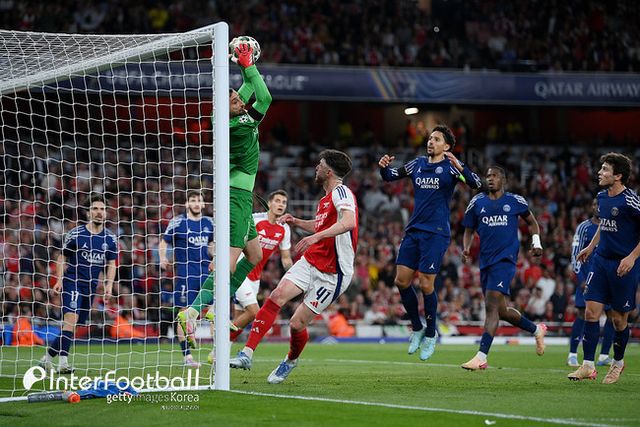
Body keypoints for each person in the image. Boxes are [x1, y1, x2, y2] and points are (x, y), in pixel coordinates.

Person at [229, 149, 358, 384]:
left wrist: (316, 237)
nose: (316, 168)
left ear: (329, 171)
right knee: (276, 296)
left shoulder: (342, 192)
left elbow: (349, 222)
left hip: (334, 272)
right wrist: (296, 221)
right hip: (312, 260)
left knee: (297, 324)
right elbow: (320, 226)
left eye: (320, 165)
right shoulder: (325, 200)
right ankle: (246, 353)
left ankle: (290, 360)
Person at [178, 41, 271, 338]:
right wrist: (249, 65)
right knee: (228, 263)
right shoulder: (240, 124)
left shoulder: (225, 118)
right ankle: (195, 310)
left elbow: (247, 89)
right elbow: (265, 97)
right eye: (235, 100)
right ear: (227, 107)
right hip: (237, 198)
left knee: (254, 255)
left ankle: (213, 302)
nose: (240, 100)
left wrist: (242, 66)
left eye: (238, 98)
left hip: (238, 196)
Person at [378, 125, 481, 360]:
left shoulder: (451, 168)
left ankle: (432, 334)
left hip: (436, 233)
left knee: (426, 284)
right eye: (430, 138)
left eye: (436, 139)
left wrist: (460, 166)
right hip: (414, 230)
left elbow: (476, 184)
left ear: (447, 146)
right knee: (401, 281)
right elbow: (391, 176)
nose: (430, 142)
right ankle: (417, 328)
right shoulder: (417, 164)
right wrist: (383, 167)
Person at [459, 166, 547, 370]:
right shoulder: (477, 202)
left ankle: (481, 357)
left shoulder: (515, 201)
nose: (490, 179)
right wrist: (466, 247)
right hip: (485, 262)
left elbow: (532, 223)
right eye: (488, 176)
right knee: (502, 311)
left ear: (503, 180)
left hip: (505, 260)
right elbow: (469, 229)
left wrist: (536, 242)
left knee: (490, 306)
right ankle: (536, 330)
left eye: (494, 176)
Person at [570, 153, 640, 384]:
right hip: (600, 261)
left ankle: (617, 362)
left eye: (605, 169)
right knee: (590, 312)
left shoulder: (630, 201)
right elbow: (604, 225)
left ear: (618, 176)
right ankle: (588, 366)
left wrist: (632, 257)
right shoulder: (601, 197)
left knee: (618, 320)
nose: (599, 173)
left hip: (623, 265)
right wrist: (591, 247)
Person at [207, 190, 293, 363]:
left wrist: (293, 274)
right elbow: (232, 236)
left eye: (284, 202)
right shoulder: (255, 219)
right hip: (240, 271)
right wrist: (217, 258)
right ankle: (220, 342)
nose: (281, 204)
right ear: (269, 203)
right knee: (254, 312)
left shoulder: (284, 229)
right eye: (277, 201)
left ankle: (217, 355)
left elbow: (285, 257)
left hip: (255, 278)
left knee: (240, 317)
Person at [39, 194, 118, 373]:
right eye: (95, 208)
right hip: (72, 281)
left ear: (106, 213)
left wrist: (109, 285)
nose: (99, 212)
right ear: (88, 213)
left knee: (72, 325)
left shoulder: (110, 238)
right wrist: (59, 280)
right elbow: (62, 257)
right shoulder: (76, 234)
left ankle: (47, 359)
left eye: (102, 209)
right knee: (70, 320)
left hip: (90, 287)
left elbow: (112, 263)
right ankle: (63, 363)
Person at [159, 189, 214, 367]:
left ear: (203, 204)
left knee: (214, 311)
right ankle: (187, 357)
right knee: (183, 314)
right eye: (193, 200)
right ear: (187, 203)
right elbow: (164, 241)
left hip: (206, 274)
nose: (196, 203)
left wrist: (215, 254)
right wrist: (162, 257)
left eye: (199, 200)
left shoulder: (209, 223)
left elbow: (212, 244)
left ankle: (216, 353)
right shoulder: (178, 222)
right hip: (185, 276)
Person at [567, 198, 615, 368]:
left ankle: (604, 355)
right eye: (594, 204)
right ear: (591, 207)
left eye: (599, 204)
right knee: (582, 314)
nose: (597, 207)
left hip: (607, 278)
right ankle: (572, 354)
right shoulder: (584, 227)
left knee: (612, 315)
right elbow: (575, 253)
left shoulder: (611, 227)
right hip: (587, 279)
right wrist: (581, 278)